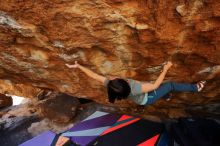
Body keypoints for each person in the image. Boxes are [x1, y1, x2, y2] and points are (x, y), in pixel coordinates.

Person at [65, 61, 206, 105]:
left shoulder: (112, 86)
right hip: (146, 98)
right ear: (124, 83)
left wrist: (78, 66)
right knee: (168, 85)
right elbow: (155, 85)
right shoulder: (136, 88)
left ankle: (165, 95)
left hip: (142, 93)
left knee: (154, 87)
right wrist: (166, 68)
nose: (111, 76)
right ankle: (196, 88)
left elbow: (94, 76)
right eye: (115, 78)